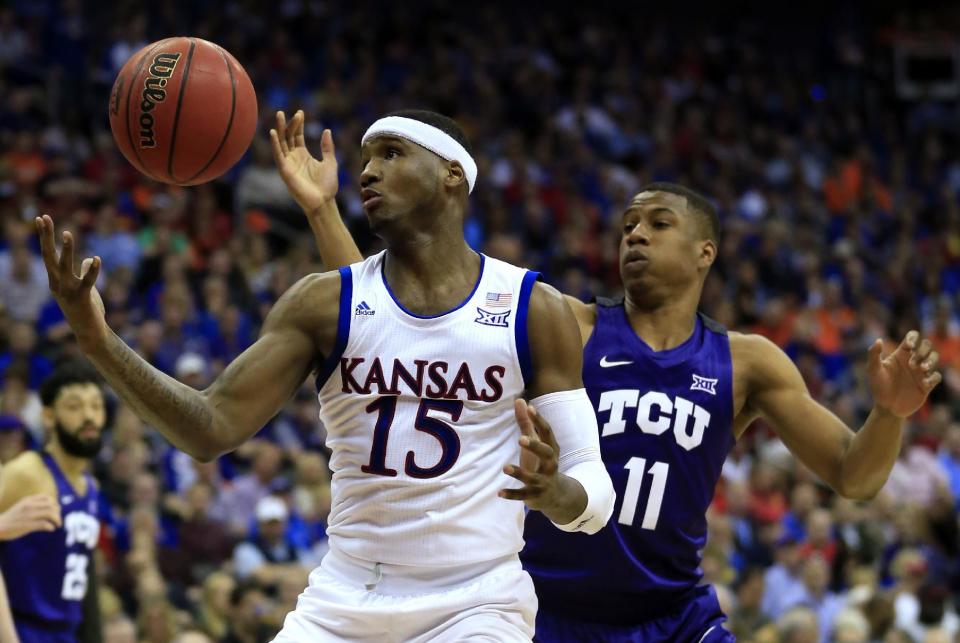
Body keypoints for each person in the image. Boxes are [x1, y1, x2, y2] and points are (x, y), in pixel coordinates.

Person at [36, 108, 615, 641]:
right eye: (366, 158)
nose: (368, 171)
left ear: (452, 176)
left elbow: (593, 488)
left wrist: (554, 494)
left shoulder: (532, 307)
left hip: (476, 601)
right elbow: (208, 429)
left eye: (391, 153)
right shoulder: (321, 304)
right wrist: (99, 342)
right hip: (345, 596)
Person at [307, 175, 942, 641]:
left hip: (673, 616)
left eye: (658, 223)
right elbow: (401, 326)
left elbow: (855, 476)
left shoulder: (748, 362)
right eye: (628, 226)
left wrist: (888, 414)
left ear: (705, 252)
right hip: (539, 609)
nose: (635, 233)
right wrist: (322, 214)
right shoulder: (567, 327)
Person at [0, 361, 106, 643]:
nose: (89, 417)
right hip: (24, 629)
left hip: (67, 632)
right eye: (74, 406)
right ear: (48, 416)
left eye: (96, 406)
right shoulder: (26, 473)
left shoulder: (91, 487)